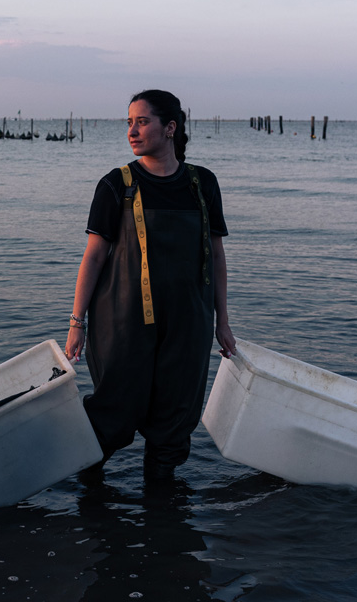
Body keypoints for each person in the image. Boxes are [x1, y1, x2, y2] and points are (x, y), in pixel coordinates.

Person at [65, 89, 235, 482]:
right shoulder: (115, 185)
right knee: (114, 414)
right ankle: (90, 506)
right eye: (129, 122)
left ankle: (160, 523)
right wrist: (77, 322)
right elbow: (92, 257)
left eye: (142, 121)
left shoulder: (202, 184)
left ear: (170, 128)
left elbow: (217, 255)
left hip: (188, 323)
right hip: (122, 323)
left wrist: (222, 322)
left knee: (174, 423)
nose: (132, 131)